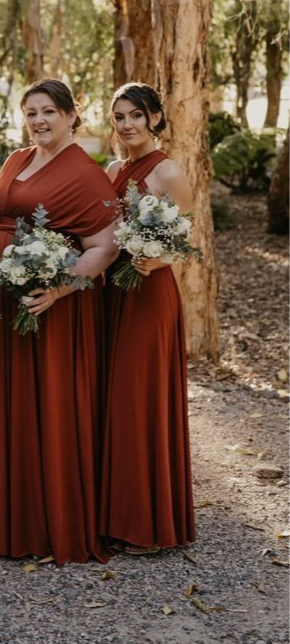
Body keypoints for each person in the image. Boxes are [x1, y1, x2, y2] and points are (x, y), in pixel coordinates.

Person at [0, 79, 119, 565]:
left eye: (49, 112)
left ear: (72, 114)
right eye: (31, 112)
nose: (39, 121)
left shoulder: (85, 173)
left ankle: (44, 522)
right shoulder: (16, 159)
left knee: (47, 407)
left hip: (51, 312)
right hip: (4, 303)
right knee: (10, 403)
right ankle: (6, 519)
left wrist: (57, 289)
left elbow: (104, 247)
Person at [100, 81, 195, 554]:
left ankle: (149, 525)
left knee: (139, 400)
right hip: (112, 293)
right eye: (119, 117)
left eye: (136, 115)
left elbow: (186, 237)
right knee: (115, 400)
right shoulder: (114, 168)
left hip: (148, 294)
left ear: (156, 117)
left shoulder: (168, 171)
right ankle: (116, 513)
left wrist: (161, 259)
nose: (128, 125)